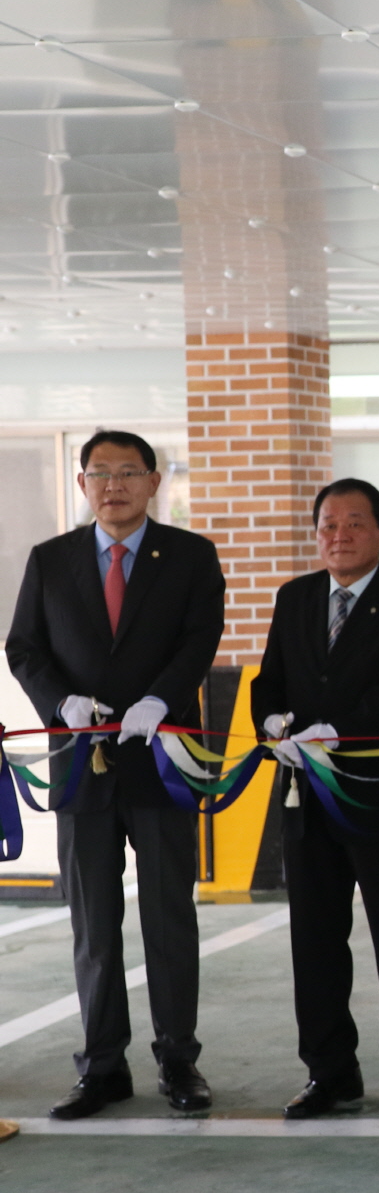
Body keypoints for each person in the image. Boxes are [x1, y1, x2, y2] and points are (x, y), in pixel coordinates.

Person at [6, 430, 225, 1120]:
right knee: (94, 924)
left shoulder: (189, 556)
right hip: (83, 768)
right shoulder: (51, 559)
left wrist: (162, 699)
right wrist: (59, 703)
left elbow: (200, 637)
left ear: (154, 482)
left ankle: (178, 1060)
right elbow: (24, 646)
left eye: (128, 471)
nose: (114, 485)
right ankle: (102, 1066)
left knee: (168, 917)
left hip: (161, 761)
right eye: (100, 473)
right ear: (83, 485)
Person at [249, 478, 379, 1119]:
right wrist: (272, 725)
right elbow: (269, 680)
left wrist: (335, 732)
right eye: (329, 525)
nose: (341, 535)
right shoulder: (295, 597)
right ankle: (330, 1073)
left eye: (356, 523)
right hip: (305, 797)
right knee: (314, 938)